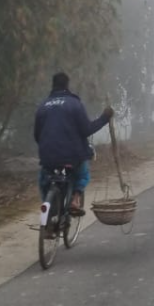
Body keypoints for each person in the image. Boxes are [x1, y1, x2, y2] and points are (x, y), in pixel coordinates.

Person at [33, 72, 113, 214]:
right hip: (72, 156)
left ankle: (47, 211)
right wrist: (104, 118)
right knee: (83, 174)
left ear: (53, 86)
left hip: (48, 157)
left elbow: (37, 136)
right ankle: (75, 199)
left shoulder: (43, 106)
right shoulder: (75, 104)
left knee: (43, 179)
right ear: (67, 85)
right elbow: (87, 129)